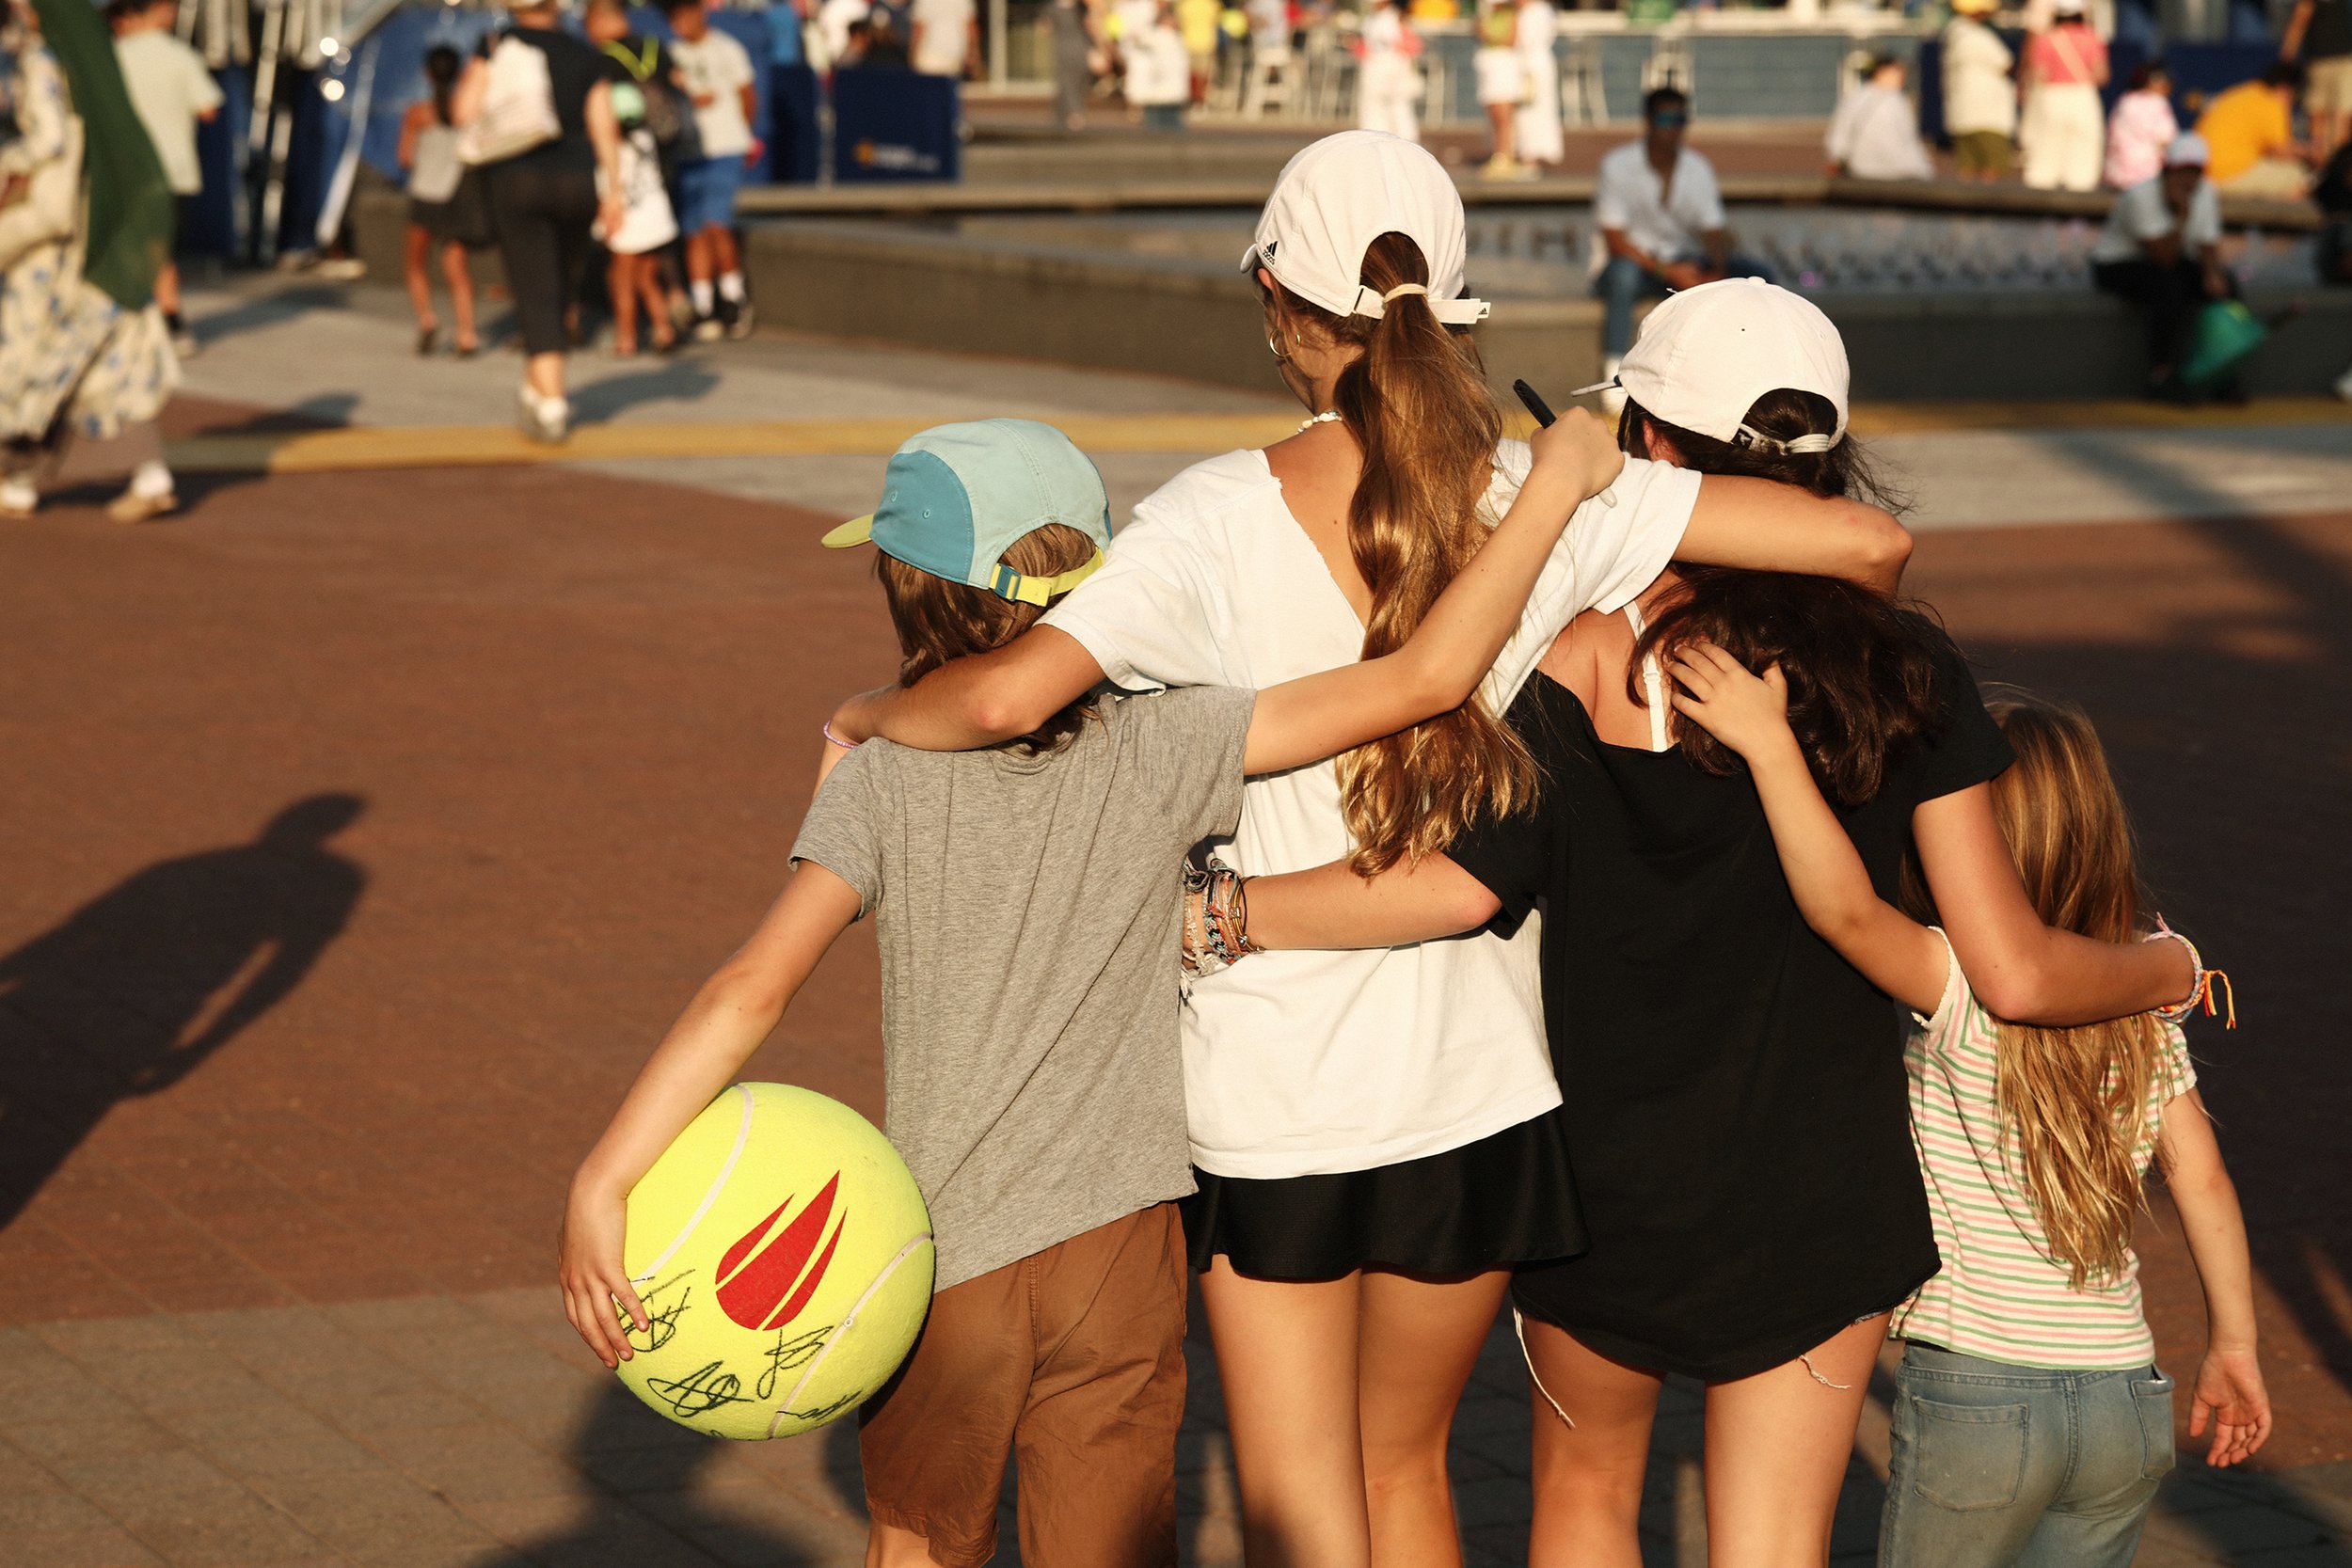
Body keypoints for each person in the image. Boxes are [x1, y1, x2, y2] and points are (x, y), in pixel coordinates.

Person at [821, 134, 1911, 1568]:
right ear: (1455, 308)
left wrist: (866, 713)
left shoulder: (1206, 521)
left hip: (1274, 1094)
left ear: (1279, 300)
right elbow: (1872, 548)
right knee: (1409, 1473)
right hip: (1478, 1087)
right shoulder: (1543, 495)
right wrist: (1596, 504)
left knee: (1301, 1501)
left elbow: (1014, 694)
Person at [1208, 277, 2203, 1568]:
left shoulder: (1574, 656)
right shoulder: (1903, 669)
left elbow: (1453, 886)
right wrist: (2167, 965)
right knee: (1776, 1542)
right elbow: (2008, 968)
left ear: (1654, 450)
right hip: (1823, 1192)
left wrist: (1223, 910)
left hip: (1610, 1187)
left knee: (1577, 1501)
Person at [558, 407, 1630, 1568]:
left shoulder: (881, 782)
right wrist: (1555, 485)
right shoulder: (1167, 741)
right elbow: (1423, 677)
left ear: (906, 589)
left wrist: (605, 1177)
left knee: (920, 1537)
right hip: (1122, 1251)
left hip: (947, 1251)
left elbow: (748, 988)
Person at [1666, 668, 2272, 1567]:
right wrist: (2235, 1342)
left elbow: (1841, 908)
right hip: (2125, 1395)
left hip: (1978, 1391)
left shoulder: (1958, 987)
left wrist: (1771, 747)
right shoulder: (2141, 1014)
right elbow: (2204, 1178)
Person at [2, 0, 180, 522]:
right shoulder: (91, 58)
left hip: (51, 249)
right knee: (101, 363)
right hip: (98, 237)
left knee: (30, 358)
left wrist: (9, 162)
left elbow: (50, 141)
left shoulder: (41, 60)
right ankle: (146, 474)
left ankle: (19, 482)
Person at [454, 0, 627, 444]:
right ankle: (536, 387)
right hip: (577, 181)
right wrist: (614, 192)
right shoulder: (587, 55)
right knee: (561, 285)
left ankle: (553, 402)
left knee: (535, 288)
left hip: (518, 179)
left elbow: (463, 111)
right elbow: (603, 126)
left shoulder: (495, 45)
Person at [1591, 87, 1770, 397]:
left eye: (1681, 118)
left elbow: (1713, 230)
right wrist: (1670, 273)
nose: (1674, 127)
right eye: (1666, 118)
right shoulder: (1618, 165)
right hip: (1635, 266)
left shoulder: (1697, 168)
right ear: (1648, 121)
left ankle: (1762, 360)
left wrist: (1717, 269)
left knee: (1757, 275)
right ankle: (1615, 373)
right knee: (1622, 274)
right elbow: (1616, 242)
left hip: (1684, 263)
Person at [105, 0, 216, 357]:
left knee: (127, 246)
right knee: (162, 250)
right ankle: (171, 321)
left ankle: (131, 320)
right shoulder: (181, 56)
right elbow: (208, 109)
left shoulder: (113, 57)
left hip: (126, 168)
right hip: (174, 169)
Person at [2092, 132, 2231, 399]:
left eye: (2195, 172)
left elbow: (2207, 242)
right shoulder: (2140, 197)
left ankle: (2220, 369)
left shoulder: (2206, 192)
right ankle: (2162, 374)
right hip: (2117, 263)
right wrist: (2181, 216)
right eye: (2181, 172)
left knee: (2225, 286)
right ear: (2166, 171)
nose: (2188, 180)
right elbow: (2163, 258)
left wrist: (2213, 275)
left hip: (2165, 258)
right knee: (2168, 288)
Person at [663, 0, 760, 342]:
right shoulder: (670, 54)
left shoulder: (727, 49)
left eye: (683, 16)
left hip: (724, 149)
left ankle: (734, 300)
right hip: (688, 152)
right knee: (694, 231)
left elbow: (747, 95)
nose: (679, 25)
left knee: (717, 225)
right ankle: (703, 304)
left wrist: (743, 136)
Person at [399, 45, 481, 359]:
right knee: (458, 271)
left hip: (425, 197)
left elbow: (404, 157)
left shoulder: (417, 113)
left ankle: (428, 319)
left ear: (427, 74)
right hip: (457, 199)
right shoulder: (468, 110)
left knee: (416, 265)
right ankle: (467, 333)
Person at [2020, 0, 2107, 192]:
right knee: (2083, 150)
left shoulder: (2046, 38)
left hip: (2052, 96)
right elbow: (2101, 74)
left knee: (2046, 147)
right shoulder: (2092, 37)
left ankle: (2040, 198)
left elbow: (2038, 74)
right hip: (2082, 95)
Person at [2196, 61, 2311, 198]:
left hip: (2201, 177)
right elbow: (2281, 151)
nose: (2292, 102)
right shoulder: (2271, 103)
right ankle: (2281, 218)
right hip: (2225, 176)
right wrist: (2309, 152)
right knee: (2297, 176)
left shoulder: (2241, 93)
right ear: (2285, 88)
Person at [1825, 54, 1933, 181]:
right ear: (1881, 71)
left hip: (1859, 169)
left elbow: (1839, 134)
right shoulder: (1895, 100)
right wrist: (1924, 170)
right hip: (1899, 171)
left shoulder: (1854, 97)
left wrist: (1836, 158)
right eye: (1897, 71)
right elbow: (1908, 140)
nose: (1903, 77)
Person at [1943, 0, 2017, 183]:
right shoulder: (1978, 36)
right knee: (1993, 170)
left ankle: (1965, 211)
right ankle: (1989, 211)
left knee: (1966, 170)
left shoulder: (1953, 34)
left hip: (1962, 114)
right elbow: (2006, 65)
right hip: (1988, 115)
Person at [2283, 0, 2352, 164]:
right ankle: (2337, 168)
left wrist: (2285, 59)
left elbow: (2298, 22)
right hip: (2341, 60)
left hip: (2319, 62)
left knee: (2319, 118)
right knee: (2340, 117)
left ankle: (2326, 168)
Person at [1353, 0, 1422, 142]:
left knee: (1398, 104)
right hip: (1374, 65)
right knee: (1372, 105)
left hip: (1394, 65)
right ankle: (1373, 138)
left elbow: (1412, 46)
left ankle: (1406, 140)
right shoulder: (1372, 19)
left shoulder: (1396, 18)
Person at [2106, 60, 2179, 190]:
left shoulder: (2124, 101)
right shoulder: (2159, 103)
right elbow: (2167, 141)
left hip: (2117, 178)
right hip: (2148, 180)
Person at [1470, 0, 1523, 179]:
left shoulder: (1511, 15)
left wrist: (1488, 34)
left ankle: (1505, 155)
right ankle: (1498, 154)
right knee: (1493, 115)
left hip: (1503, 68)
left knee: (1504, 115)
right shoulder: (1486, 15)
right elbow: (1478, 32)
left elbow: (1510, 40)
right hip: (1489, 69)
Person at [1124, 0, 1191, 128]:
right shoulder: (1161, 35)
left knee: (1168, 119)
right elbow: (1139, 37)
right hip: (1159, 90)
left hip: (1169, 90)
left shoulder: (1173, 37)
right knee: (1157, 120)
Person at [1514, 0, 1563, 170]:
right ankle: (1527, 153)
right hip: (1533, 65)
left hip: (1533, 67)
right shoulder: (1539, 10)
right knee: (1530, 111)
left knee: (1532, 111)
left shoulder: (1538, 10)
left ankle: (1531, 156)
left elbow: (1525, 40)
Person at [1048, 0, 1098, 129]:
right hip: (1072, 49)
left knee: (1073, 82)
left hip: (1073, 49)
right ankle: (1070, 114)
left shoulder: (1080, 9)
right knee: (1069, 82)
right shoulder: (1055, 8)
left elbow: (1045, 27)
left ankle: (1074, 113)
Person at [910, 0, 976, 78]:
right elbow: (970, 27)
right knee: (949, 87)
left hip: (929, 55)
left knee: (928, 88)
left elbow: (919, 28)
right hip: (954, 54)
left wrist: (912, 51)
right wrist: (971, 53)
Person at [1177, 0, 1219, 104]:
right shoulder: (1212, 4)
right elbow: (1216, 22)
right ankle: (1200, 101)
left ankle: (1194, 99)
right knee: (1203, 75)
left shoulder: (1184, 4)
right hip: (1206, 44)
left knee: (1191, 75)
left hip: (1187, 43)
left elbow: (1179, 23)